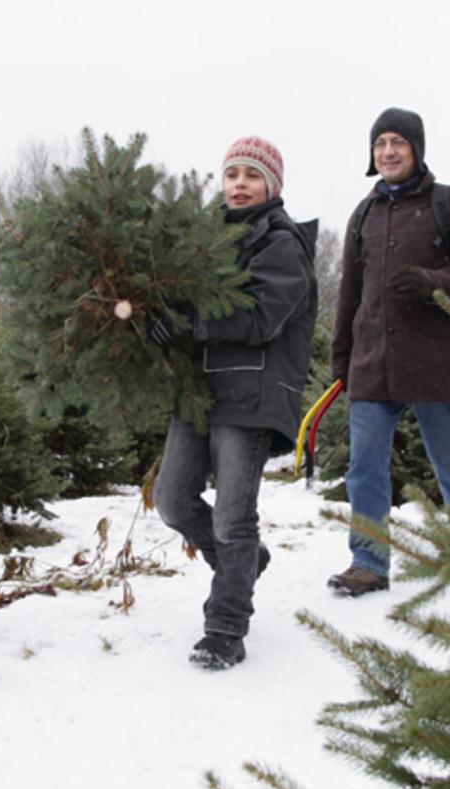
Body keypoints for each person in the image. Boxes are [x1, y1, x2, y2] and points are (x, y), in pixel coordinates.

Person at [151, 136, 318, 669]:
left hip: (252, 393)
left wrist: (190, 320)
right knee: (172, 501)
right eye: (232, 175)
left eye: (251, 175)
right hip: (198, 390)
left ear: (273, 184)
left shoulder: (282, 243)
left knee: (232, 518)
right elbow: (181, 303)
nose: (240, 184)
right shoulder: (204, 243)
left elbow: (259, 316)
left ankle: (225, 628)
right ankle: (244, 565)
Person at [328, 107, 450, 597]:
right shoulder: (363, 214)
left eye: (397, 142)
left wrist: (433, 283)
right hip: (371, 364)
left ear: (416, 149)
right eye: (380, 143)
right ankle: (368, 563)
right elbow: (349, 294)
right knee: (363, 466)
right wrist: (342, 363)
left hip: (437, 363)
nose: (388, 151)